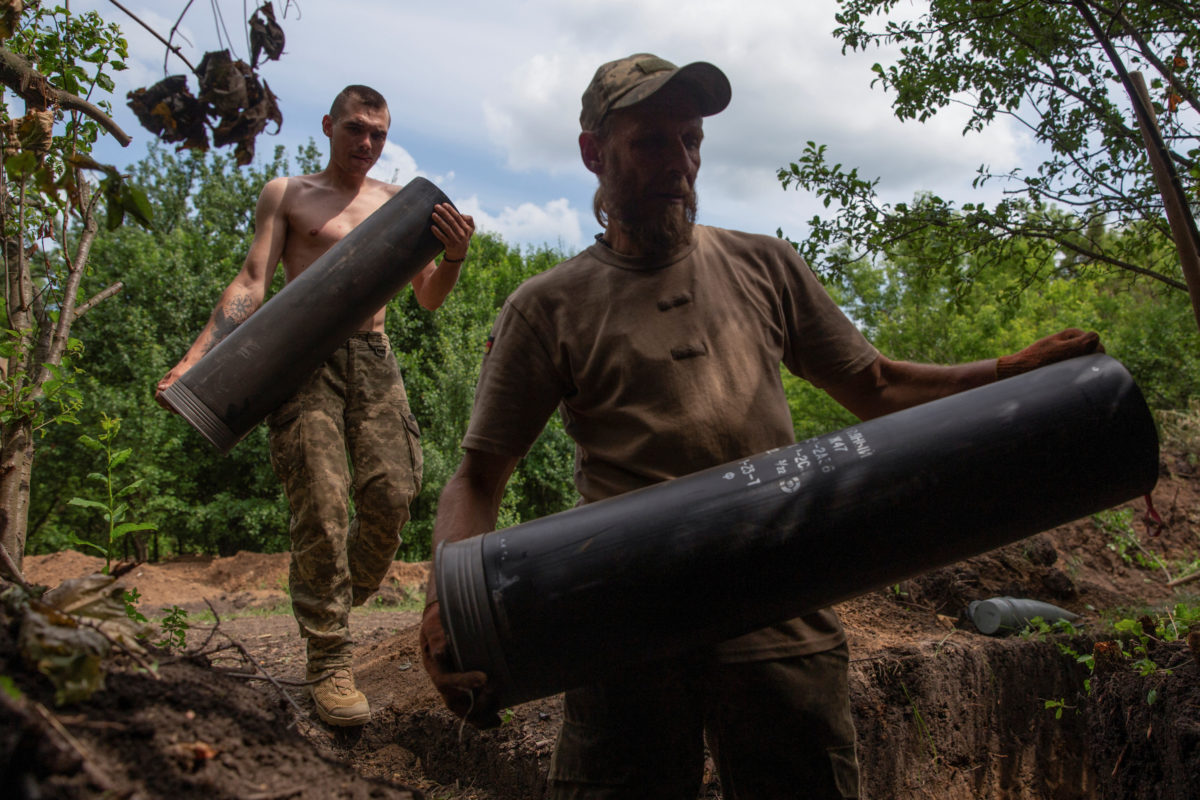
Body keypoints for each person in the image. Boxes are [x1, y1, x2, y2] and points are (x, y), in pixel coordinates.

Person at [419, 55, 1100, 798]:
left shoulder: (766, 266)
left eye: (691, 140)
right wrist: (445, 606)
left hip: (781, 617)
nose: (679, 163)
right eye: (652, 142)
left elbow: (877, 385)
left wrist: (1006, 372)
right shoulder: (547, 306)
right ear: (594, 153)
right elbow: (480, 476)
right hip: (621, 625)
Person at [158, 84, 475, 727]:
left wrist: (457, 257)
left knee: (393, 493)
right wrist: (196, 360)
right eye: (356, 129)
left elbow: (430, 299)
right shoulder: (288, 194)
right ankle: (329, 661)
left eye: (379, 134)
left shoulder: (397, 205)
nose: (367, 144)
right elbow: (253, 280)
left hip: (374, 357)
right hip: (300, 361)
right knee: (322, 505)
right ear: (329, 125)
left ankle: (334, 594)